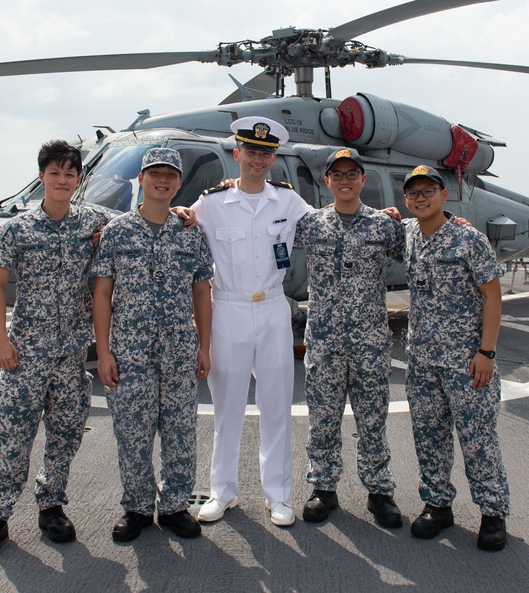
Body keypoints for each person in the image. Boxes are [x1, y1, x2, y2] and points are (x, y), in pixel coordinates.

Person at [0, 140, 110, 558]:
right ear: (41, 177)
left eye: (70, 173)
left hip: (71, 354)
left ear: (78, 179)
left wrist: (185, 212)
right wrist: (1, 341)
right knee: (12, 435)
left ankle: (51, 505)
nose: (62, 180)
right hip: (26, 352)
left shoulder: (93, 221)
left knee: (66, 433)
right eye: (55, 173)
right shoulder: (17, 229)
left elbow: (141, 221)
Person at [191, 116, 311, 527]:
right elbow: (175, 221)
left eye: (265, 153)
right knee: (227, 407)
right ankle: (222, 492)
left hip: (274, 308)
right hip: (228, 309)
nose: (258, 159)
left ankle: (277, 495)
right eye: (251, 152)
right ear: (236, 153)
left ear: (274, 158)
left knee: (277, 405)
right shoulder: (211, 204)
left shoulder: (288, 201)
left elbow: (331, 222)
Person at [91, 147, 214, 542]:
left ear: (178, 182)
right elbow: (102, 293)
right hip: (130, 352)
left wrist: (204, 347)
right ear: (141, 179)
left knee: (180, 432)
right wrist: (103, 352)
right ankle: (138, 506)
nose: (163, 180)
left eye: (170, 175)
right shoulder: (117, 232)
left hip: (178, 350)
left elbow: (201, 291)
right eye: (155, 173)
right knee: (133, 434)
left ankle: (176, 504)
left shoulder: (190, 231)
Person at [293, 148, 406, 528]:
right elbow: (264, 221)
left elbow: (423, 240)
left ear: (363, 180)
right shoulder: (310, 224)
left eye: (351, 174)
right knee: (323, 420)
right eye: (337, 174)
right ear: (327, 181)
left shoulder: (384, 226)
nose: (345, 180)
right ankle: (323, 487)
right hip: (325, 343)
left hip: (369, 343)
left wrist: (457, 221)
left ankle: (380, 491)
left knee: (372, 420)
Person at [401, 164, 509, 551]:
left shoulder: (469, 239)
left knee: (478, 438)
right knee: (429, 435)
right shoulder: (408, 235)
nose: (421, 198)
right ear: (406, 200)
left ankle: (492, 512)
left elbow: (493, 296)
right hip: (422, 360)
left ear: (444, 196)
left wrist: (486, 352)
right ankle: (437, 504)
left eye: (428, 191)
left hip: (466, 361)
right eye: (413, 193)